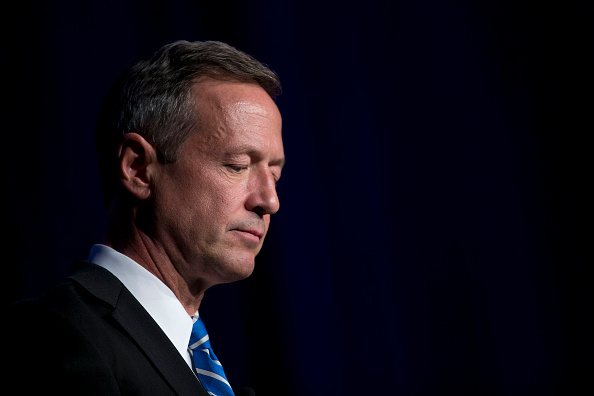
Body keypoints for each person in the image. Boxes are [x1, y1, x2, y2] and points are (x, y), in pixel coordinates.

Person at [7, 40, 284, 396]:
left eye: (274, 175)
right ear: (138, 168)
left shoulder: (192, 355)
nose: (269, 201)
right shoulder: (53, 335)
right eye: (237, 166)